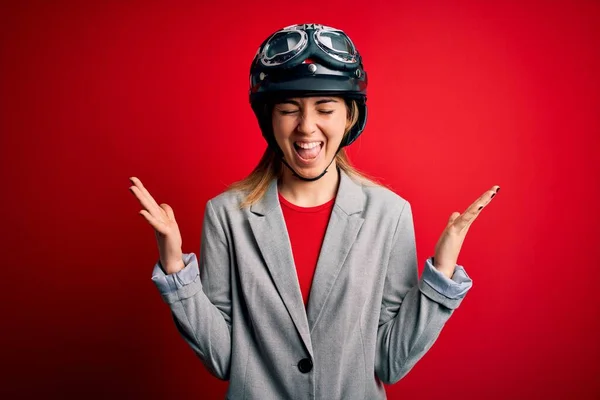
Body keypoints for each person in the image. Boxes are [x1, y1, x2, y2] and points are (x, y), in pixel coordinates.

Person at [129, 23, 499, 399]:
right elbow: (224, 359)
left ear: (349, 117)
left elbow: (389, 361)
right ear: (268, 120)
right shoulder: (225, 216)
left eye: (325, 109)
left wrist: (443, 273)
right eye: (289, 110)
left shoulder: (391, 214)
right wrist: (175, 269)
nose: (307, 127)